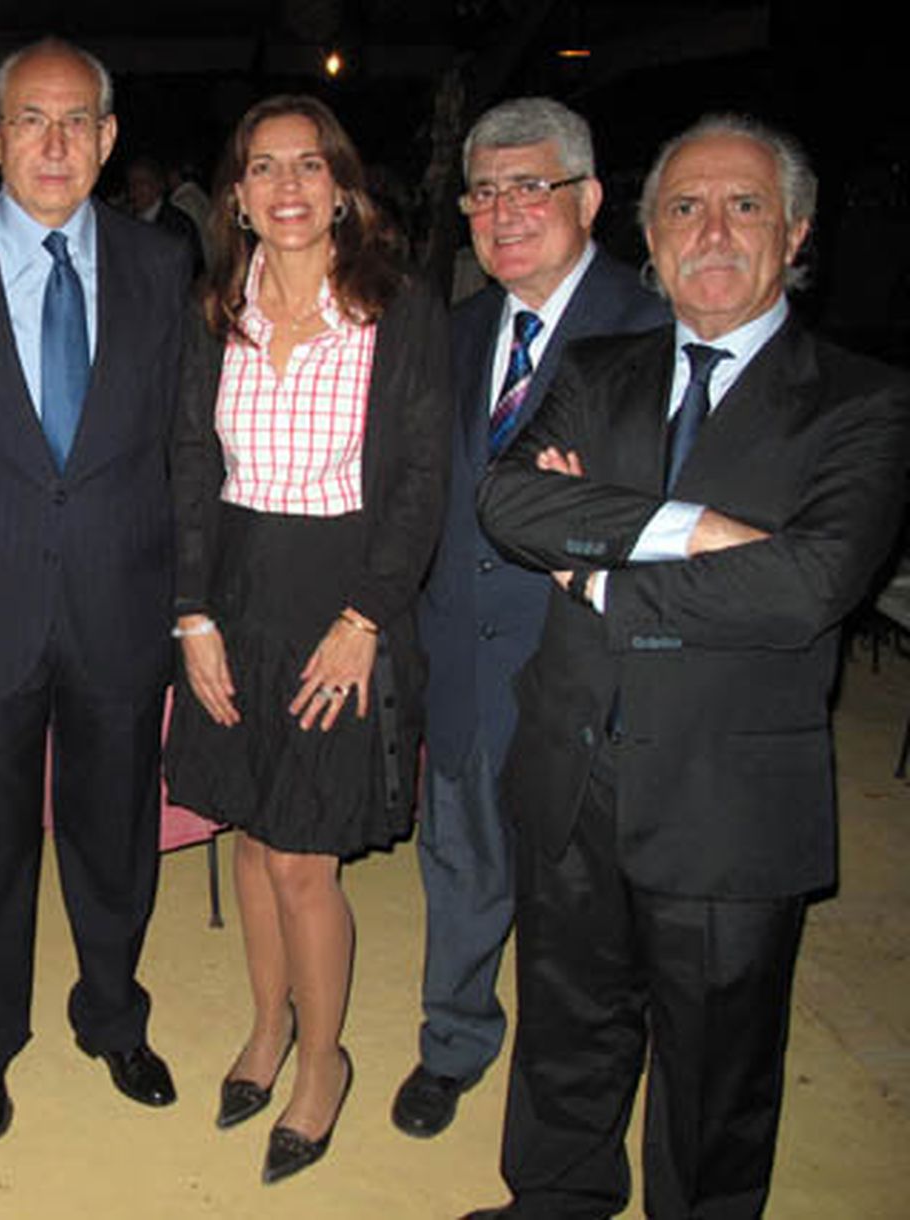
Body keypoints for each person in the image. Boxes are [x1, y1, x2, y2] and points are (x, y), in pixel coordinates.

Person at [464, 116, 910, 1219]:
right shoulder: (596, 367)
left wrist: (600, 565)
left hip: (726, 793)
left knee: (716, 1073)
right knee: (565, 1024)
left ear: (794, 232)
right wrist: (703, 525)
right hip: (572, 764)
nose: (711, 230)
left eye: (743, 205)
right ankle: (557, 1197)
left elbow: (808, 586)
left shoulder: (863, 399)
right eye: (683, 208)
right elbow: (508, 500)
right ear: (649, 241)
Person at [165, 94, 450, 1183]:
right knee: (247, 828)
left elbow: (421, 480)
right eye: (262, 167)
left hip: (343, 596)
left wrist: (367, 616)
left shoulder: (396, 308)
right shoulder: (212, 309)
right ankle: (267, 1021)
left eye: (308, 165)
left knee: (302, 852)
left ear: (341, 184)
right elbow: (192, 468)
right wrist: (191, 613)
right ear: (235, 193)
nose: (286, 186)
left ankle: (322, 1060)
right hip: (234, 594)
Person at [0, 37, 189, 1141]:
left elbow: (185, 437)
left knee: (113, 826)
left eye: (77, 120)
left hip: (120, 601)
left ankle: (113, 1014)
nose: (54, 141)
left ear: (108, 138)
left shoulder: (161, 262)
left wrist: (188, 595)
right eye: (29, 119)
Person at [393, 97, 668, 1140]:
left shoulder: (650, 330)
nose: (505, 210)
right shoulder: (456, 329)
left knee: (576, 907)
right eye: (486, 190)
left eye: (531, 186)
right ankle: (453, 1037)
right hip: (461, 658)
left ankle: (565, 1083)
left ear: (589, 198)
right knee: (459, 865)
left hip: (581, 672)